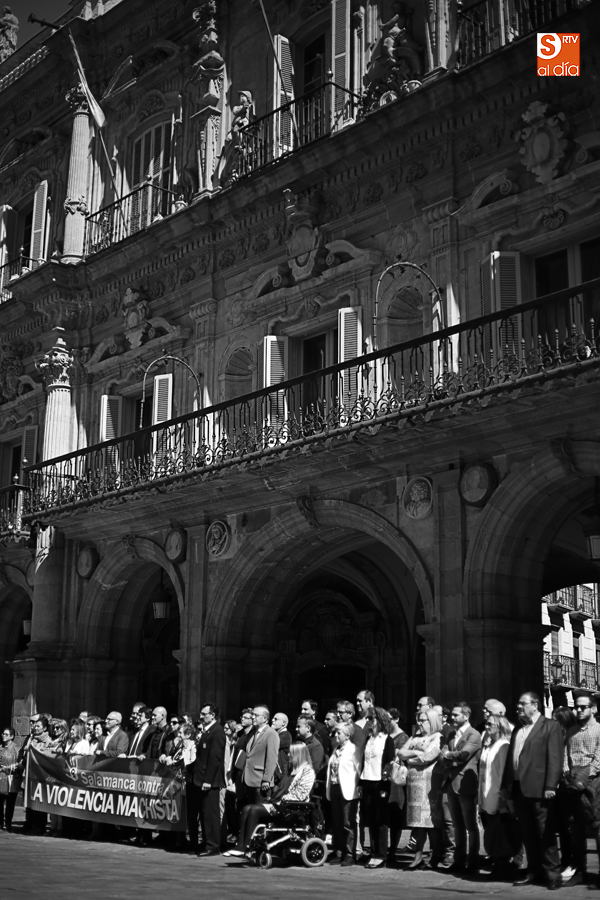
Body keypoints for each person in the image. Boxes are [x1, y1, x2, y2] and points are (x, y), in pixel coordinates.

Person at [503, 691, 564, 890]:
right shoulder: (518, 729)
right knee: (528, 834)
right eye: (518, 704)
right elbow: (511, 760)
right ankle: (534, 871)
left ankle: (553, 874)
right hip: (519, 789)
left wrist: (550, 786)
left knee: (545, 834)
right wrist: (506, 787)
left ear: (535, 705)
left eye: (523, 704)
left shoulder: (550, 726)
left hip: (540, 789)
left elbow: (555, 758)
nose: (518, 707)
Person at [226, 742, 316, 856]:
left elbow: (300, 795)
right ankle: (240, 845)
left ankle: (247, 846)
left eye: (291, 753)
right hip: (279, 803)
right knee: (246, 808)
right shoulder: (291, 770)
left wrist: (281, 801)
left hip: (290, 807)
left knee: (254, 810)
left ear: (299, 754)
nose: (288, 755)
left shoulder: (308, 772)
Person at [397, 707, 444, 869]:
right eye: (419, 720)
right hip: (414, 785)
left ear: (432, 721)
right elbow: (401, 753)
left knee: (430, 822)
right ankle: (418, 856)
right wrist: (417, 752)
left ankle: (435, 855)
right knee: (417, 822)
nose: (419, 723)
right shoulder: (414, 737)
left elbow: (428, 757)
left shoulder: (437, 737)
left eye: (423, 720)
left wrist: (411, 758)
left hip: (429, 785)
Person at [439, 702, 482, 873]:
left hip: (465, 784)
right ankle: (459, 860)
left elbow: (464, 755)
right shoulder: (451, 734)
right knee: (457, 825)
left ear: (466, 715)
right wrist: (450, 758)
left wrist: (449, 756)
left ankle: (473, 862)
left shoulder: (474, 734)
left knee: (470, 825)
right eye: (452, 714)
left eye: (456, 715)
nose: (452, 717)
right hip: (451, 782)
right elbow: (441, 756)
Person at [564, 694, 600, 888]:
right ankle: (580, 871)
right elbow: (565, 754)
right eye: (576, 707)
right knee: (575, 830)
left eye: (583, 707)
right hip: (572, 783)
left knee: (597, 827)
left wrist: (583, 778)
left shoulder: (599, 730)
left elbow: (598, 760)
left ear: (593, 709)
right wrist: (566, 772)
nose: (578, 710)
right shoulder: (571, 731)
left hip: (592, 782)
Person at [478, 714, 514, 879]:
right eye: (486, 724)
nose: (487, 727)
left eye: (490, 724)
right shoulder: (489, 745)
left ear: (500, 727)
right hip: (486, 795)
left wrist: (502, 799)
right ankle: (497, 865)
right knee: (492, 832)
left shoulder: (503, 746)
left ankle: (503, 868)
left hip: (497, 796)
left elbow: (502, 775)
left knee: (500, 833)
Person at [360, 706, 395, 868]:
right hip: (367, 781)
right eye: (367, 718)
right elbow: (364, 762)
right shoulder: (369, 738)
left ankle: (381, 854)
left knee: (381, 819)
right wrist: (360, 783)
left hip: (380, 783)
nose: (368, 722)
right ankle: (373, 853)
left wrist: (385, 786)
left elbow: (389, 763)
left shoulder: (387, 739)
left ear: (380, 720)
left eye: (371, 719)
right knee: (371, 819)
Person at [192, 702, 226, 856]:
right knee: (203, 812)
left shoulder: (217, 731)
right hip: (200, 778)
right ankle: (206, 842)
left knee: (210, 813)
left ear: (212, 715)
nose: (201, 716)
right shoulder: (208, 731)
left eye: (204, 714)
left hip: (209, 781)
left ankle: (213, 845)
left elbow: (214, 758)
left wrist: (208, 780)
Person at [326, 721, 361, 865]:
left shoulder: (354, 749)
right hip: (335, 788)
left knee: (348, 823)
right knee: (337, 822)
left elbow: (358, 770)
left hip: (348, 790)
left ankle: (350, 854)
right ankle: (339, 852)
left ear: (347, 735)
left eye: (339, 733)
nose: (336, 735)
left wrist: (358, 788)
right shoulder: (336, 749)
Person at [553, 706, 577, 882]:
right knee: (562, 826)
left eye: (556, 721)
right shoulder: (556, 739)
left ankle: (573, 862)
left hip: (568, 785)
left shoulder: (570, 738)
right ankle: (565, 860)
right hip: (557, 787)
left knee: (570, 827)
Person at [241, 706, 279, 805]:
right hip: (249, 780)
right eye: (252, 715)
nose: (253, 717)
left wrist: (266, 779)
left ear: (265, 718)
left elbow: (272, 758)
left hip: (261, 782)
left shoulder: (271, 733)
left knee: (258, 811)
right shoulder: (254, 732)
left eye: (256, 715)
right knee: (250, 810)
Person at [388, 707, 409, 860]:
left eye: (389, 719)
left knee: (395, 813)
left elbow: (396, 756)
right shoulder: (383, 735)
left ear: (396, 719)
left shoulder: (403, 737)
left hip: (395, 779)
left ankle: (393, 849)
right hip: (383, 777)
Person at [0, 726, 19, 831]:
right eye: (3, 734)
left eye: (6, 734)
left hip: (11, 778)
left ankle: (8, 823)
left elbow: (19, 763)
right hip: (1, 777)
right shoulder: (0, 747)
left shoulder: (16, 748)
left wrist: (10, 767)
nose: (3, 736)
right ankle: (0, 823)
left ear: (11, 736)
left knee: (10, 803)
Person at [271, 712, 292, 783]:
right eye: (273, 718)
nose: (272, 720)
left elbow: (270, 744)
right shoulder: (277, 734)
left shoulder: (286, 736)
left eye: (275, 719)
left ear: (283, 723)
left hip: (279, 776)